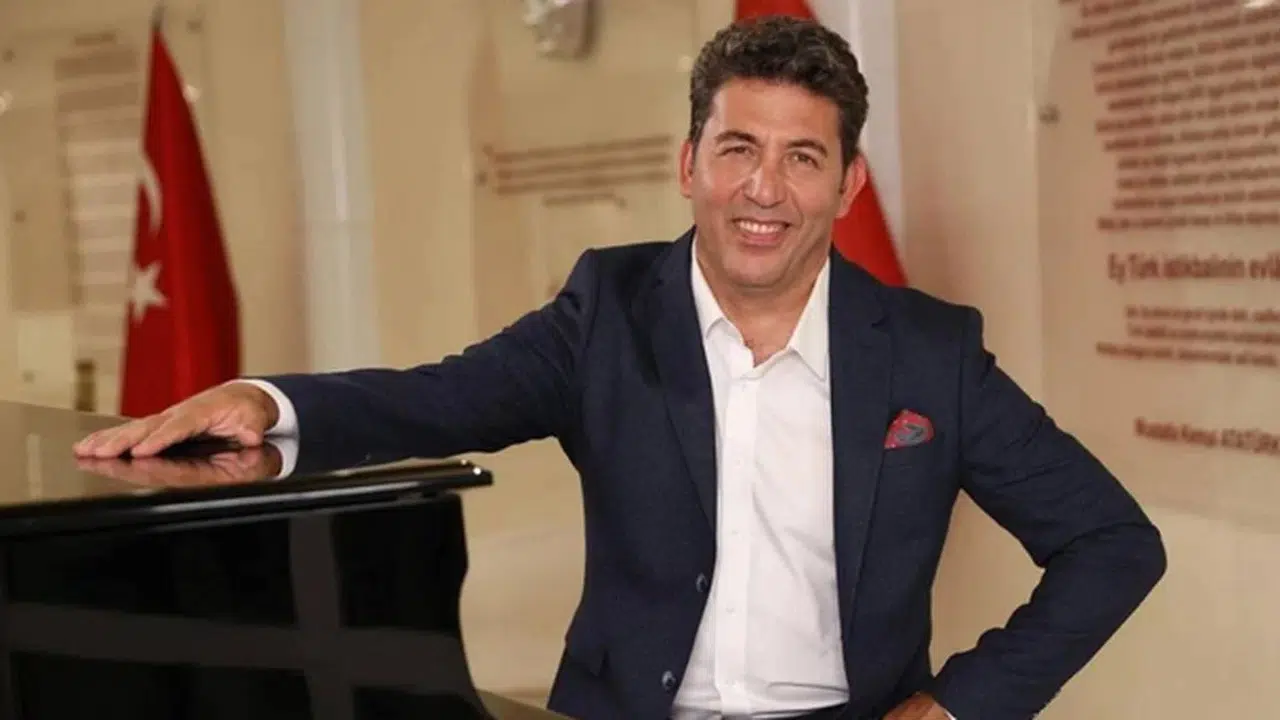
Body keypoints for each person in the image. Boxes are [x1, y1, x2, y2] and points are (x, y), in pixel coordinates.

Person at [74, 16, 1166, 720]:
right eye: (737, 149)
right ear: (689, 164)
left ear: (846, 184)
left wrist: (961, 706)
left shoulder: (928, 350)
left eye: (802, 157)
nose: (764, 189)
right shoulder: (606, 311)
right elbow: (435, 399)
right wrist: (264, 399)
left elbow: (1112, 543)